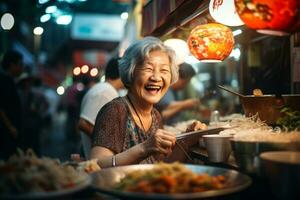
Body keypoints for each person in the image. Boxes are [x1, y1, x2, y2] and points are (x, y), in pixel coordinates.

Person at [90, 37, 205, 168]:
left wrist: (188, 139)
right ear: (131, 73)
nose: (156, 78)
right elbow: (95, 165)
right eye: (148, 69)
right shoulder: (115, 110)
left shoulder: (155, 115)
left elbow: (161, 165)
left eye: (164, 71)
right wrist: (144, 148)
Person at [78, 57, 124, 159]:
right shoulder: (105, 92)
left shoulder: (107, 90)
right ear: (123, 73)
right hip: (98, 160)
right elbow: (84, 123)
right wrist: (108, 143)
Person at [0, 50, 24, 159]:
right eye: (20, 64)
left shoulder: (9, 80)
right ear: (11, 65)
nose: (22, 68)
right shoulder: (5, 81)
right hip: (6, 132)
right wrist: (10, 127)